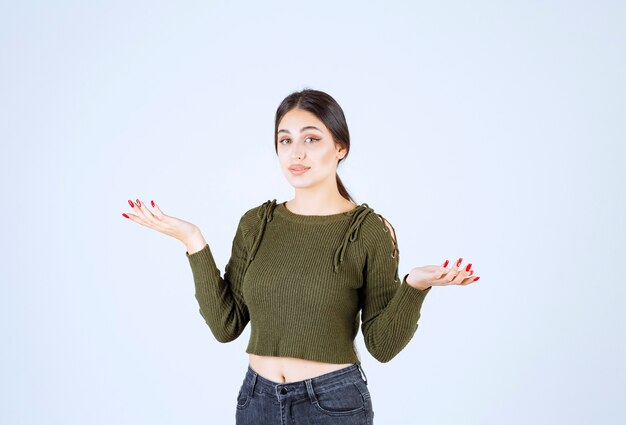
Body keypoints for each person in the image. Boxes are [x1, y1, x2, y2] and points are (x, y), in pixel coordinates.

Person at [121, 88, 481, 424]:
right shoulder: (256, 224)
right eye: (285, 140)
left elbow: (382, 345)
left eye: (312, 139)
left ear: (340, 147)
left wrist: (414, 286)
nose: (296, 153)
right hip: (255, 399)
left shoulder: (367, 230)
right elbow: (225, 325)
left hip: (332, 403)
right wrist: (192, 239)